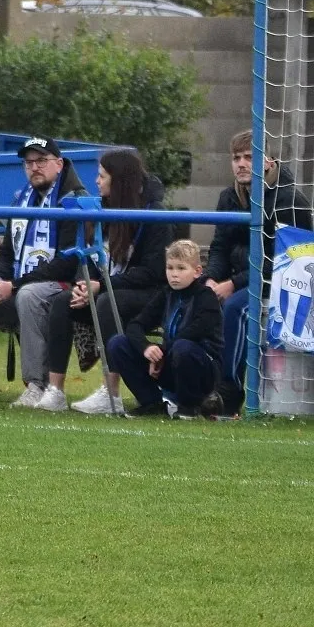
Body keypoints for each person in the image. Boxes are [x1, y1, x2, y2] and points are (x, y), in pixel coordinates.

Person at [0, 136, 88, 401]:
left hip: (63, 289)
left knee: (28, 295)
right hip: (18, 285)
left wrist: (13, 285)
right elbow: (6, 253)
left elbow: (67, 263)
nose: (34, 167)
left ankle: (36, 385)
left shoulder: (75, 201)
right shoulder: (20, 200)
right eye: (29, 163)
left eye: (41, 161)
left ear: (59, 164)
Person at [41, 149, 170, 414]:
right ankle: (55, 390)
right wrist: (85, 284)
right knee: (63, 302)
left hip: (148, 294)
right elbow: (92, 258)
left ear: (119, 180)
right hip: (109, 287)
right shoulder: (102, 210)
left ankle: (110, 394)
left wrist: (102, 286)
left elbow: (153, 272)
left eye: (102, 176)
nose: (96, 182)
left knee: (108, 302)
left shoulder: (153, 213)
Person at [205, 130, 313, 415]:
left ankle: (228, 393)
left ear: (267, 161)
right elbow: (219, 247)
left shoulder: (290, 199)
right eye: (236, 158)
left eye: (248, 157)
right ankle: (183, 390)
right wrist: (211, 279)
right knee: (196, 297)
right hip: (238, 280)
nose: (241, 164)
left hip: (279, 284)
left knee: (235, 308)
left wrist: (233, 283)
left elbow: (284, 259)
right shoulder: (228, 197)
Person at [107, 239, 225, 418]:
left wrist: (162, 351)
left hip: (201, 367)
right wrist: (146, 348)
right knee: (118, 343)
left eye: (181, 268)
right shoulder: (166, 294)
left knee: (182, 347)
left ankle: (189, 406)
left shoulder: (206, 297)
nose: (174, 274)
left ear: (197, 271)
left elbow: (194, 332)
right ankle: (152, 403)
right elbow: (135, 325)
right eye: (170, 268)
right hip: (170, 359)